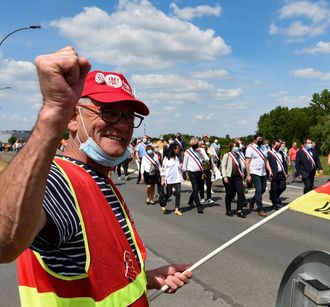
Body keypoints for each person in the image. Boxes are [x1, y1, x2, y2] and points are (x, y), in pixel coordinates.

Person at [0, 47, 191, 305]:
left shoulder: (96, 178)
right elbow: (5, 239)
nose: (123, 125)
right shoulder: (60, 179)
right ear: (72, 118)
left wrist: (144, 279)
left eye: (129, 116)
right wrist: (51, 114)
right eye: (109, 112)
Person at [245, 134, 272, 217]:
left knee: (263, 189)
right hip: (254, 172)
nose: (261, 140)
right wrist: (248, 174)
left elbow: (266, 160)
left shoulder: (264, 148)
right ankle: (260, 209)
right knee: (259, 189)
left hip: (263, 172)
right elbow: (247, 162)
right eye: (259, 139)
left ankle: (252, 201)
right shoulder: (250, 149)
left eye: (261, 139)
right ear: (254, 140)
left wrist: (270, 170)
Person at [220, 141, 247, 218]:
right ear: (231, 147)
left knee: (240, 193)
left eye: (237, 146)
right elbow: (223, 166)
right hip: (229, 177)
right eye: (234, 146)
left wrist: (243, 174)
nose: (236, 148)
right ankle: (228, 210)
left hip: (238, 177)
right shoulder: (227, 155)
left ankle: (239, 210)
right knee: (229, 194)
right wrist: (224, 176)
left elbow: (241, 166)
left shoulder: (239, 156)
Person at [183, 138, 206, 213]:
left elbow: (206, 159)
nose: (196, 145)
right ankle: (198, 206)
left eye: (196, 144)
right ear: (192, 144)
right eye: (194, 144)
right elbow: (185, 163)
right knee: (195, 188)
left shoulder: (200, 150)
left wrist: (201, 153)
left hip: (200, 172)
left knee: (198, 188)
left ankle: (190, 201)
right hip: (191, 172)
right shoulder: (187, 152)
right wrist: (184, 173)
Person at [161, 143, 184, 216]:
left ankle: (176, 209)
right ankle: (163, 202)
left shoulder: (177, 157)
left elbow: (179, 167)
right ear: (173, 149)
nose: (178, 150)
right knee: (169, 193)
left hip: (177, 178)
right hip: (169, 178)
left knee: (178, 193)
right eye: (177, 148)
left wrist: (181, 167)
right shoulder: (166, 158)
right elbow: (163, 169)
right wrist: (163, 178)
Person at [267, 140, 287, 211]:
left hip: (281, 173)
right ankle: (274, 204)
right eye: (277, 145)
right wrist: (268, 175)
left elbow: (284, 163)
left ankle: (272, 195)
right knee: (274, 189)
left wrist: (286, 173)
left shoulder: (281, 153)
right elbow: (267, 164)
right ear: (273, 145)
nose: (278, 146)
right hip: (274, 174)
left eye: (279, 145)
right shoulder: (269, 153)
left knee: (283, 187)